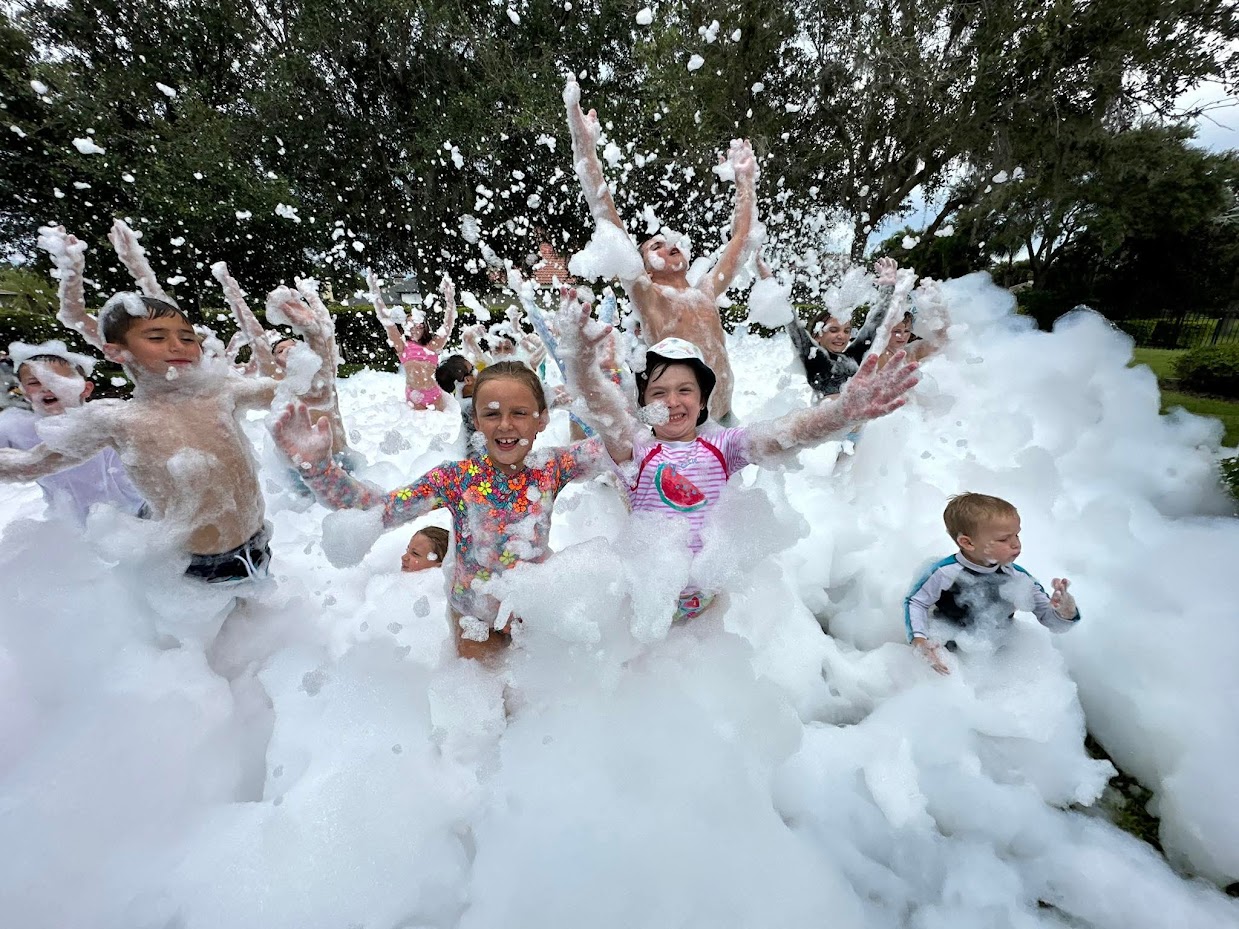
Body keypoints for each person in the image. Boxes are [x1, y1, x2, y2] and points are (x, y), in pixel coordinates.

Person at [2, 223, 337, 583]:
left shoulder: (221, 390)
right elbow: (29, 465)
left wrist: (315, 334)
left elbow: (315, 393)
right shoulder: (117, 418)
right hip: (190, 567)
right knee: (210, 638)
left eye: (187, 338)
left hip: (257, 544)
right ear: (116, 352)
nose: (178, 346)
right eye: (157, 337)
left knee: (258, 625)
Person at [560, 294, 919, 621]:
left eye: (685, 390)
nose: (671, 401)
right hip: (649, 593)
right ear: (643, 404)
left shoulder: (723, 447)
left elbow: (784, 436)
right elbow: (600, 406)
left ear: (703, 401)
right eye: (658, 392)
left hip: (708, 597)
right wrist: (580, 358)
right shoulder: (635, 448)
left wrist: (840, 413)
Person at [272, 361, 614, 662]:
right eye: (492, 413)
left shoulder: (552, 466)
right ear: (476, 421)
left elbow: (621, 445)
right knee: (486, 705)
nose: (505, 424)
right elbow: (379, 510)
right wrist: (318, 469)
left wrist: (648, 404)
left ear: (541, 420)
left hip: (531, 611)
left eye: (520, 413)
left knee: (534, 709)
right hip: (474, 617)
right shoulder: (456, 478)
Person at [565, 79, 759, 424]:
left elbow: (741, 242)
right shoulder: (651, 297)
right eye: (656, 246)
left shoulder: (705, 292)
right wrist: (585, 150)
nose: (669, 245)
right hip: (681, 430)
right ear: (646, 268)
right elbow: (609, 224)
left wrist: (745, 184)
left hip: (725, 419)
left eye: (669, 242)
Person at [903, 493, 1079, 675]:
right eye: (1004, 539)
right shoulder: (944, 573)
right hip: (949, 649)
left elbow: (1051, 621)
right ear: (967, 543)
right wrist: (920, 640)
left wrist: (1065, 611)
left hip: (997, 655)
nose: (1016, 545)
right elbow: (916, 602)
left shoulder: (1017, 577)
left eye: (1017, 535)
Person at [0, 340, 145, 524]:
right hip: (68, 523)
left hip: (134, 514)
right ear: (26, 394)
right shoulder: (15, 427)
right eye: (34, 382)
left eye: (56, 380)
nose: (46, 387)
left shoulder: (104, 419)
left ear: (85, 389)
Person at [371, 271, 458, 411]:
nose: (415, 329)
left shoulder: (431, 346)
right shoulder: (402, 346)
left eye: (419, 326)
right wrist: (375, 293)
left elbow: (448, 326)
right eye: (411, 325)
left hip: (433, 394)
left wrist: (450, 300)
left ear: (425, 328)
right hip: (414, 394)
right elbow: (386, 322)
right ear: (405, 326)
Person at [435, 354, 478, 450]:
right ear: (468, 380)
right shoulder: (474, 409)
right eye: (473, 369)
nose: (478, 372)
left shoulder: (454, 409)